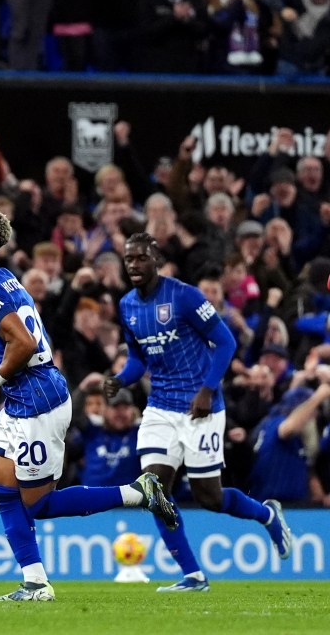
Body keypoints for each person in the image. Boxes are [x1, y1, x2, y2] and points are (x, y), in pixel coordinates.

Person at [0, 205, 175, 603]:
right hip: (26, 396)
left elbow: (26, 343)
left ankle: (139, 492)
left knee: (38, 504)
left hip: (37, 400)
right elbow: (21, 337)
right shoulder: (2, 278)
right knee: (1, 487)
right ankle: (35, 582)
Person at [104, 232, 293, 593]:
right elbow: (137, 358)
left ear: (156, 258)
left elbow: (226, 342)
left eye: (141, 257)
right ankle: (193, 575)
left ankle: (267, 515)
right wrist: (121, 380)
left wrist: (208, 389)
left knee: (210, 497)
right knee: (154, 491)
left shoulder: (184, 295)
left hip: (199, 408)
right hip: (159, 407)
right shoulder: (127, 304)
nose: (133, 265)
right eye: (128, 259)